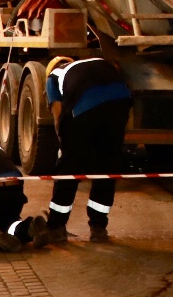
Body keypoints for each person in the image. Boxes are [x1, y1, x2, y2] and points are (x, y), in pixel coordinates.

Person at [43, 52, 132, 243]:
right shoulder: (97, 61)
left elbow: (58, 112)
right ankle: (98, 227)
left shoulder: (53, 77)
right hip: (121, 100)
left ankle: (56, 226)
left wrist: (64, 144)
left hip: (85, 105)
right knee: (108, 163)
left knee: (69, 168)